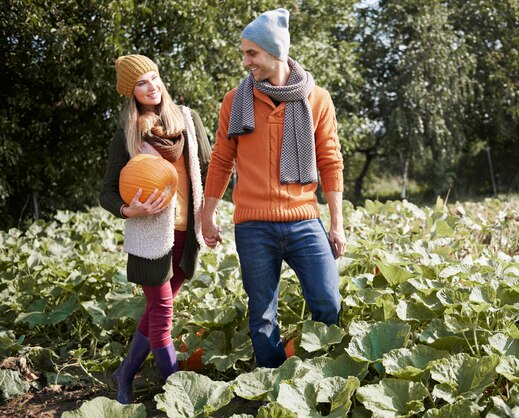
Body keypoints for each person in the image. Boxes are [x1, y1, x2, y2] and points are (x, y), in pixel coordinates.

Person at [201, 8, 346, 368]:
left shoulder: (316, 100)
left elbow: (330, 161)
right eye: (244, 53)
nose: (245, 61)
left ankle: (318, 371)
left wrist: (337, 222)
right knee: (262, 318)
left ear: (275, 51)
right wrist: (207, 215)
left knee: (328, 301)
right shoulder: (236, 101)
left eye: (252, 53)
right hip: (253, 225)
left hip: (303, 219)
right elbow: (221, 161)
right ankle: (273, 383)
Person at [100, 54, 211, 403]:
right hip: (149, 238)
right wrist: (126, 209)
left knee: (154, 313)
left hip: (185, 235)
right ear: (131, 92)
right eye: (142, 83)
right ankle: (178, 392)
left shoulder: (189, 122)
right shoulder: (128, 134)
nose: (152, 86)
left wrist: (209, 217)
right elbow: (106, 191)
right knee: (163, 313)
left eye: (154, 77)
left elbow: (210, 173)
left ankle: (124, 374)